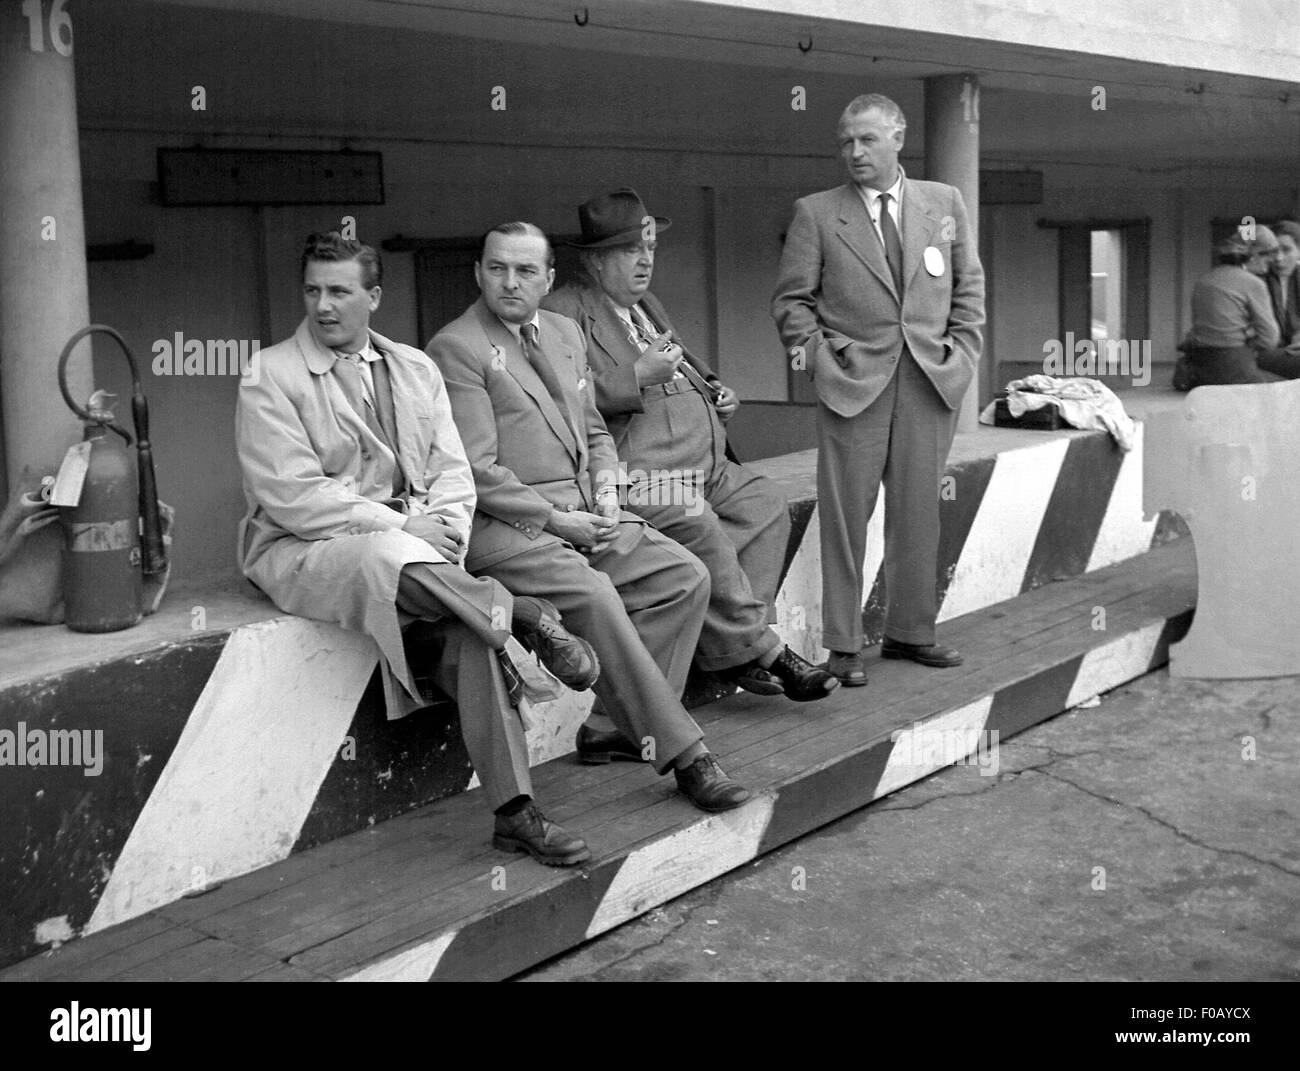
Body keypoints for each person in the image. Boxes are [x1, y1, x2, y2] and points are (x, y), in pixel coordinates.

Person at [236, 231, 603, 867]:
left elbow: (455, 472)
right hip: (309, 549)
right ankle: (519, 613)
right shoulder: (270, 374)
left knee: (469, 643)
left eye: (340, 291)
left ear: (373, 296)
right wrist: (401, 529)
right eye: (313, 291)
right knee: (387, 557)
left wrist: (447, 531)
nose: (323, 305)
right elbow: (294, 496)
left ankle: (516, 813)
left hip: (427, 558)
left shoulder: (414, 366)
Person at [425, 221, 751, 811]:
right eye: (497, 268)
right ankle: (687, 756)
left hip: (587, 512)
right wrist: (557, 520)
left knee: (684, 577)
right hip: (511, 527)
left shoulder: (564, 331)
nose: (510, 282)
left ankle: (611, 726)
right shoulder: (456, 347)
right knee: (596, 596)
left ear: (549, 279)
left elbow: (595, 431)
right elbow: (475, 468)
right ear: (478, 272)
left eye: (526, 271)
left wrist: (606, 493)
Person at [542, 188, 837, 707]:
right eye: (629, 250)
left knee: (764, 503)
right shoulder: (562, 312)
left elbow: (686, 363)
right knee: (694, 514)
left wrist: (714, 390)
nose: (645, 260)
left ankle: (733, 645)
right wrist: (635, 375)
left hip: (706, 464)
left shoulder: (646, 305)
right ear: (593, 260)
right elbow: (562, 400)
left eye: (649, 248)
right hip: (640, 474)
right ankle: (758, 650)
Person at [771, 93, 985, 687]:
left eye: (866, 140)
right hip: (851, 382)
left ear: (898, 138)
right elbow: (790, 301)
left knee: (920, 512)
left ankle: (912, 633)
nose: (854, 152)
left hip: (928, 380)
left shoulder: (944, 203)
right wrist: (818, 360)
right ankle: (843, 644)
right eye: (845, 142)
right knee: (846, 517)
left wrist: (962, 355)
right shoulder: (816, 213)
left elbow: (968, 287)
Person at [1174, 233, 1282, 389]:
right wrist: (1253, 344)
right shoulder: (1253, 283)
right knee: (1283, 387)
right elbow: (1270, 337)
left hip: (1201, 363)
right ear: (1252, 256)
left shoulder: (1204, 280)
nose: (1271, 262)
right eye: (1267, 256)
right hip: (1234, 363)